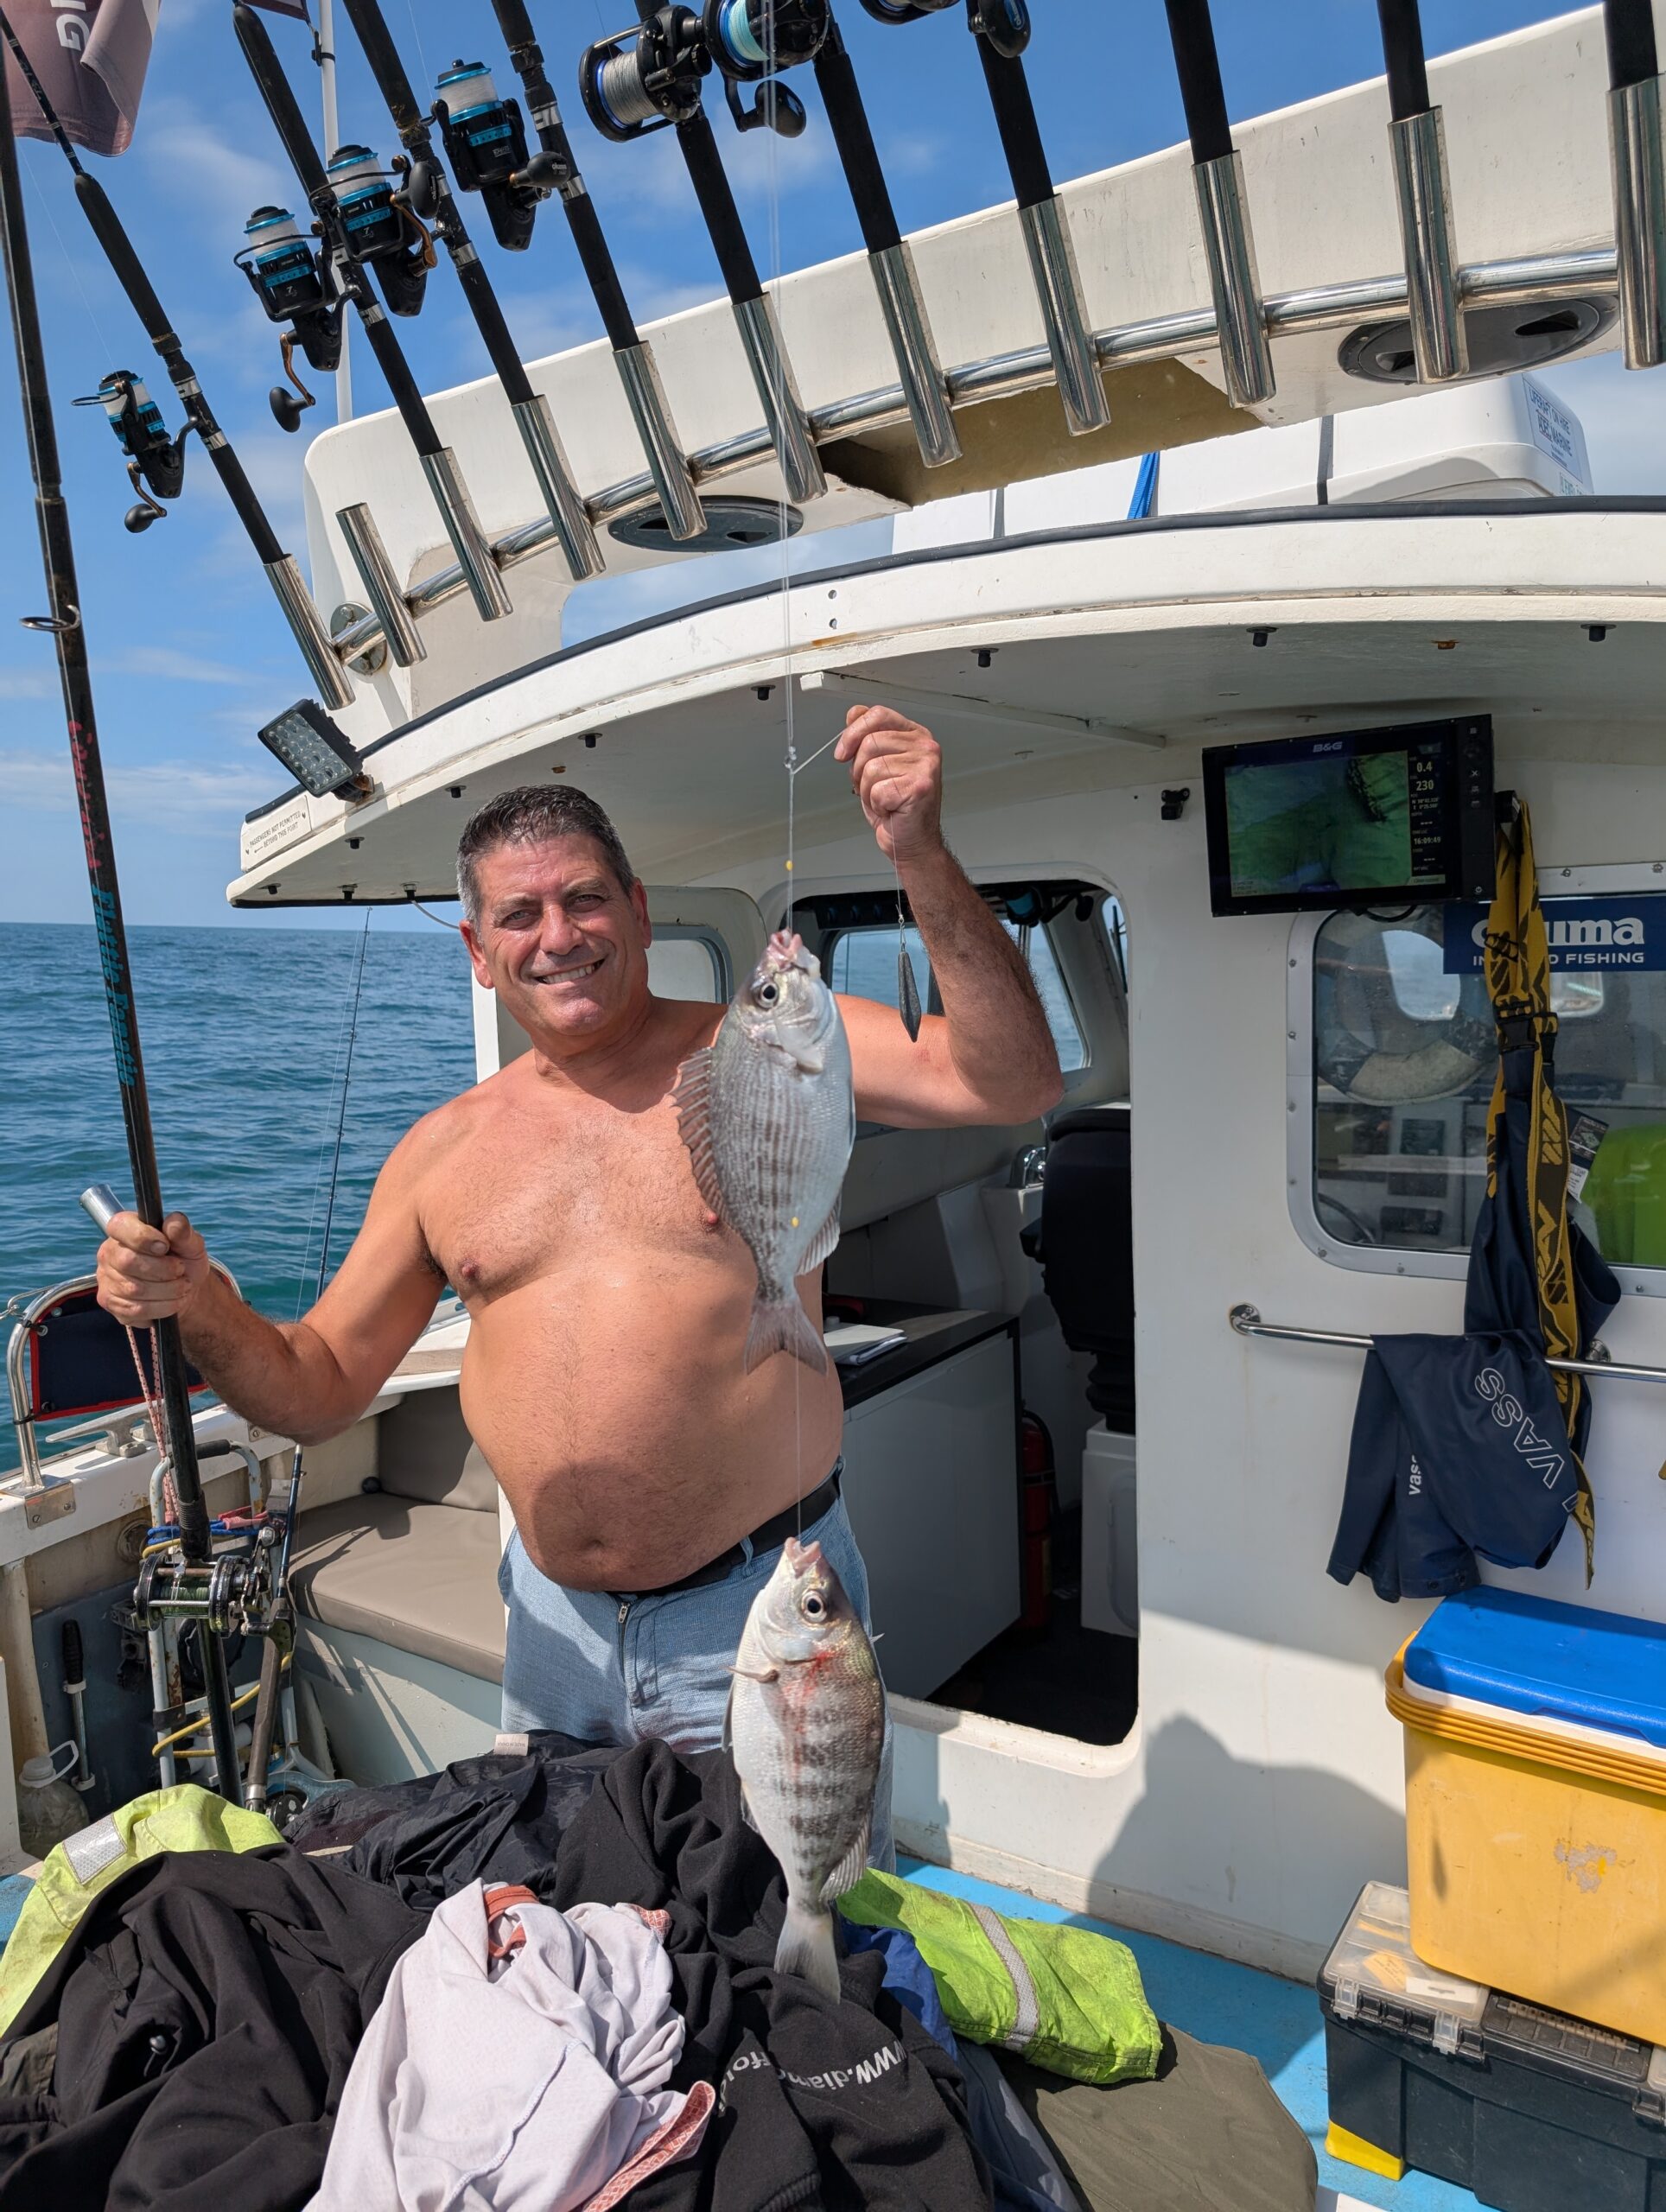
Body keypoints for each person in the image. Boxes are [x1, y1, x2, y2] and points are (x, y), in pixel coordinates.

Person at [96, 705, 1064, 1859]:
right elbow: (315, 1387)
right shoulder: (440, 1155)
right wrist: (197, 1302)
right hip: (549, 1633)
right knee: (583, 1942)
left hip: (758, 1617)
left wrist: (919, 851)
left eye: (586, 898)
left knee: (800, 1937)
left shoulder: (768, 1046)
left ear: (640, 909)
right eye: (521, 913)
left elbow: (1011, 1081)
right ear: (478, 948)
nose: (559, 935)